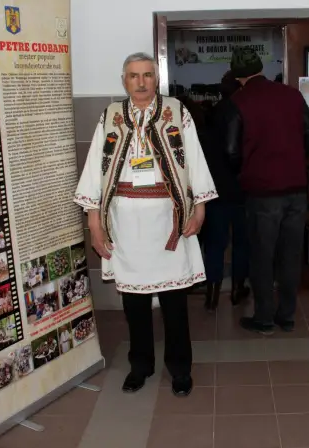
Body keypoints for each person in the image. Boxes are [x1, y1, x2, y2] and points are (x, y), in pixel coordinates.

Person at [74, 52, 218, 396]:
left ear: (157, 79)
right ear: (124, 80)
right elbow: (96, 169)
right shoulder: (110, 116)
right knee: (134, 303)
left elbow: (195, 160)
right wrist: (95, 223)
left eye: (147, 75)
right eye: (133, 76)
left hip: (170, 220)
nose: (141, 82)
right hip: (125, 225)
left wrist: (199, 209)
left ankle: (180, 369)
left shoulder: (176, 113)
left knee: (174, 302)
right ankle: (140, 365)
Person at [224, 46, 309, 335]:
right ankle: (287, 316)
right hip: (296, 190)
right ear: (260, 68)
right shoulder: (291, 95)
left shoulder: (238, 102)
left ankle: (264, 317)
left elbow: (230, 151)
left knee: (262, 256)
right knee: (290, 255)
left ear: (237, 76)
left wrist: (248, 170)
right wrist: (293, 161)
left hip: (262, 193)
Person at [201, 71, 250, 311]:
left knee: (215, 244)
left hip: (215, 191)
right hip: (241, 190)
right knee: (242, 242)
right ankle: (237, 290)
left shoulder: (209, 116)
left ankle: (211, 296)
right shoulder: (244, 114)